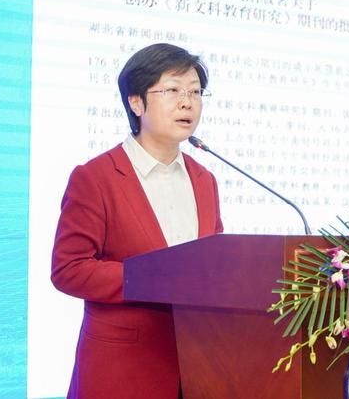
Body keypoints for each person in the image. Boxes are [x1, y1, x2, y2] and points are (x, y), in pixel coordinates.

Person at [51, 43, 223, 398]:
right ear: (136, 102)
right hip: (123, 372)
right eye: (173, 90)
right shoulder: (96, 177)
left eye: (195, 92)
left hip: (198, 369)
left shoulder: (205, 180)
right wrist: (151, 278)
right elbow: (68, 269)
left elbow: (214, 261)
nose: (187, 103)